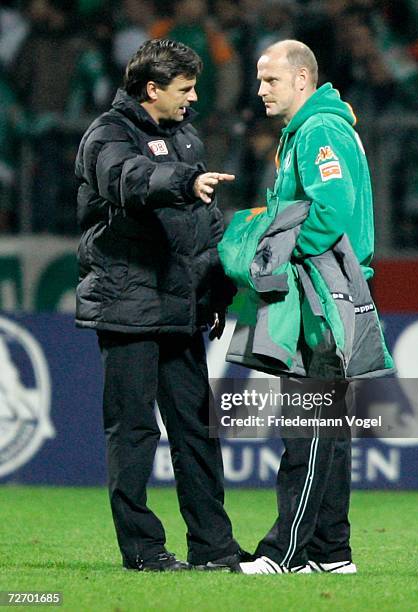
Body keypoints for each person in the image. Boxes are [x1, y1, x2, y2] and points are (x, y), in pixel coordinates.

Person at [75, 39, 246, 572]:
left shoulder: (184, 137)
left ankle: (213, 547)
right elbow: (128, 180)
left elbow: (205, 224)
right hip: (129, 304)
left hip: (179, 306)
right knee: (133, 430)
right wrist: (184, 180)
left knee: (195, 429)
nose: (193, 98)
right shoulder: (106, 135)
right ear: (152, 89)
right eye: (185, 89)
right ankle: (144, 549)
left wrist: (217, 289)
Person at [235, 39, 379, 574]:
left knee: (309, 424)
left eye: (270, 80)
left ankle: (285, 552)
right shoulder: (315, 129)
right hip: (333, 286)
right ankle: (331, 552)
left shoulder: (320, 131)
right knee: (329, 428)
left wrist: (277, 251)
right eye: (258, 79)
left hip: (323, 288)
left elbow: (332, 211)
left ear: (301, 80)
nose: (260, 90)